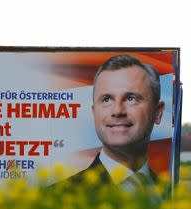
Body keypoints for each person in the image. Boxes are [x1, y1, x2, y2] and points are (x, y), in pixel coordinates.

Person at [65, 55, 165, 193]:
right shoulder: (55, 198)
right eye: (106, 99)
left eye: (131, 98)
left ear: (157, 113)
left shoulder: (172, 196)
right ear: (94, 113)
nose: (117, 111)